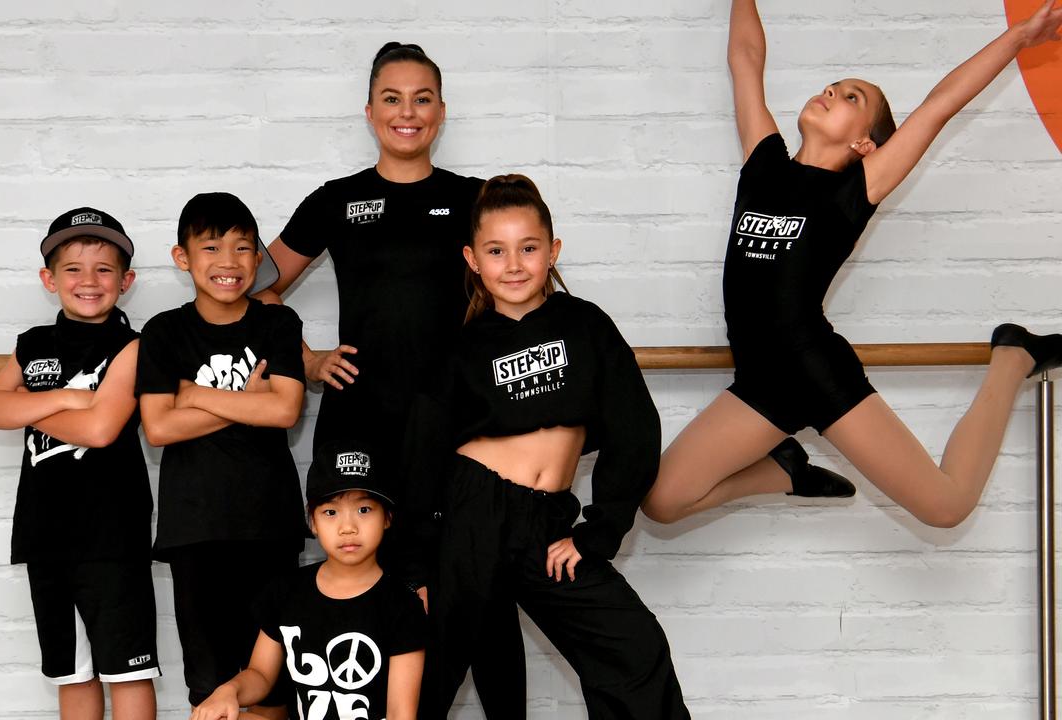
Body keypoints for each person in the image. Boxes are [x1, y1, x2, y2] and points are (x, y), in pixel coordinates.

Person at [641, 0, 1062, 528]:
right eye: (833, 85)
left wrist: (1020, 36)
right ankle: (784, 472)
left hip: (813, 369)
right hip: (759, 379)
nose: (831, 92)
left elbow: (939, 105)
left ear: (865, 143)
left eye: (850, 97)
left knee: (946, 507)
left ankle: (1014, 358)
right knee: (660, 501)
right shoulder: (763, 161)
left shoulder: (854, 189)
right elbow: (746, 58)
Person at [253, 41, 527, 715]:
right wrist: (308, 359)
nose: (408, 112)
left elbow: (522, 288)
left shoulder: (472, 200)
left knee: (478, 588)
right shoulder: (337, 200)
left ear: (441, 111)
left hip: (458, 429)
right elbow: (248, 288)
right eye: (393, 98)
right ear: (370, 111)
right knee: (381, 600)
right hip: (362, 425)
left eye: (423, 98)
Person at [414, 175, 690, 719]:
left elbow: (635, 428)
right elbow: (420, 453)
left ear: (553, 250)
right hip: (472, 516)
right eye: (496, 250)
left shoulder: (585, 325)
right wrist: (415, 570)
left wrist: (599, 531)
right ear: (472, 259)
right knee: (432, 675)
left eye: (528, 248)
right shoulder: (461, 346)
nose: (513, 264)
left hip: (546, 525)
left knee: (633, 650)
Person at [0, 207, 159, 720]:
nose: (88, 281)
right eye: (73, 268)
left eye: (103, 269)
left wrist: (33, 409)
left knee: (126, 671)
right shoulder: (33, 345)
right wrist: (72, 398)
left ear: (126, 281)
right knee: (71, 672)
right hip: (44, 535)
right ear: (48, 279)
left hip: (110, 536)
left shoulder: (134, 346)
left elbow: (101, 430)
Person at [135, 193, 308, 718]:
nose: (228, 262)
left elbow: (285, 412)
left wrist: (196, 394)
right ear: (182, 257)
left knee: (273, 681)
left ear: (258, 260)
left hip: (268, 527)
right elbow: (159, 426)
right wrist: (250, 401)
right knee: (211, 684)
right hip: (196, 532)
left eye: (242, 249)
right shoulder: (165, 331)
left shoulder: (277, 324)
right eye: (211, 248)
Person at [193, 442, 427, 720]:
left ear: (387, 517)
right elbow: (261, 675)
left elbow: (402, 713)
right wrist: (228, 690)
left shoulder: (402, 605)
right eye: (331, 512)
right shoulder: (286, 591)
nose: (348, 527)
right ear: (312, 522)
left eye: (364, 509)